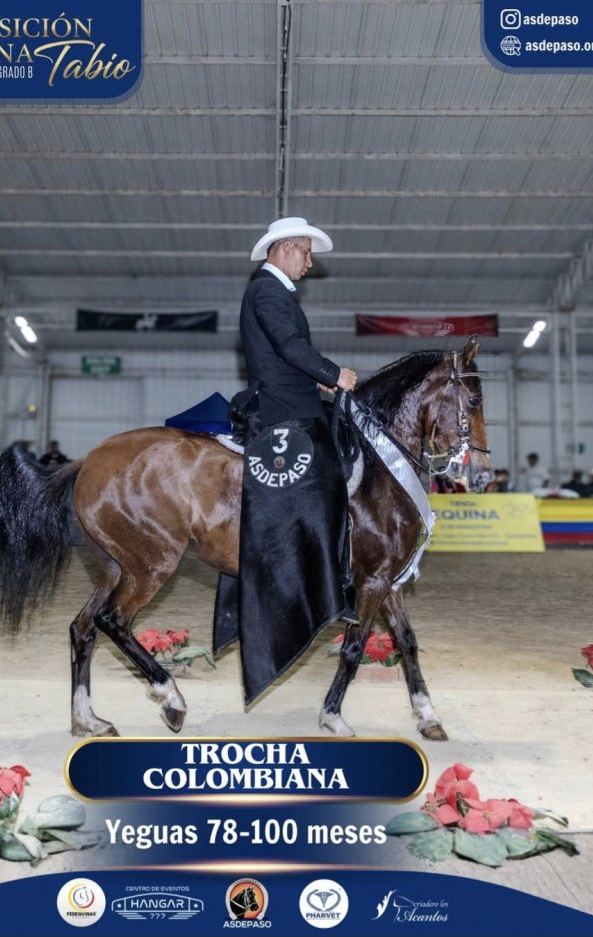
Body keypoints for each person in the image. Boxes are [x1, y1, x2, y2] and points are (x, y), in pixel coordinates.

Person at [213, 216, 358, 704]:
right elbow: (289, 346)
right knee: (330, 476)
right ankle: (333, 579)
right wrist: (333, 373)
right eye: (306, 252)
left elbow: (284, 355)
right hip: (283, 409)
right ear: (285, 248)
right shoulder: (269, 292)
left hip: (294, 395)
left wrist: (315, 379)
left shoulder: (274, 292)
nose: (310, 262)